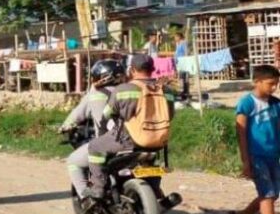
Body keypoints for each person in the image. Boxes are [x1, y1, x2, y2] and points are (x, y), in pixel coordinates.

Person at [84, 54, 175, 199]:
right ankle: (155, 188)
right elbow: (170, 115)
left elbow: (106, 115)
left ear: (132, 70)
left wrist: (104, 131)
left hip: (128, 139)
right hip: (158, 142)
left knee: (95, 146)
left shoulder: (123, 89)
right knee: (153, 161)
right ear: (152, 69)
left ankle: (98, 187)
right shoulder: (167, 91)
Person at [228, 65, 280, 214]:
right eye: (270, 84)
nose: (274, 87)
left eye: (276, 84)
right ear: (257, 81)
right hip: (256, 156)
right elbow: (240, 132)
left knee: (273, 194)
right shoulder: (247, 103)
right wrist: (246, 161)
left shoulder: (276, 104)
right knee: (267, 194)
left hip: (273, 155)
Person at [59, 60, 124, 200]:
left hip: (109, 141)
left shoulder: (95, 93)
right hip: (139, 140)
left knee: (72, 161)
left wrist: (64, 127)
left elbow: (77, 114)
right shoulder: (132, 89)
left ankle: (86, 196)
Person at [174, 32, 190, 101]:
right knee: (182, 78)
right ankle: (184, 91)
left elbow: (186, 52)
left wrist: (186, 61)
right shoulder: (178, 44)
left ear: (179, 37)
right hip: (179, 62)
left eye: (176, 37)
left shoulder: (183, 43)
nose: (175, 38)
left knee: (185, 77)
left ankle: (186, 92)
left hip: (183, 62)